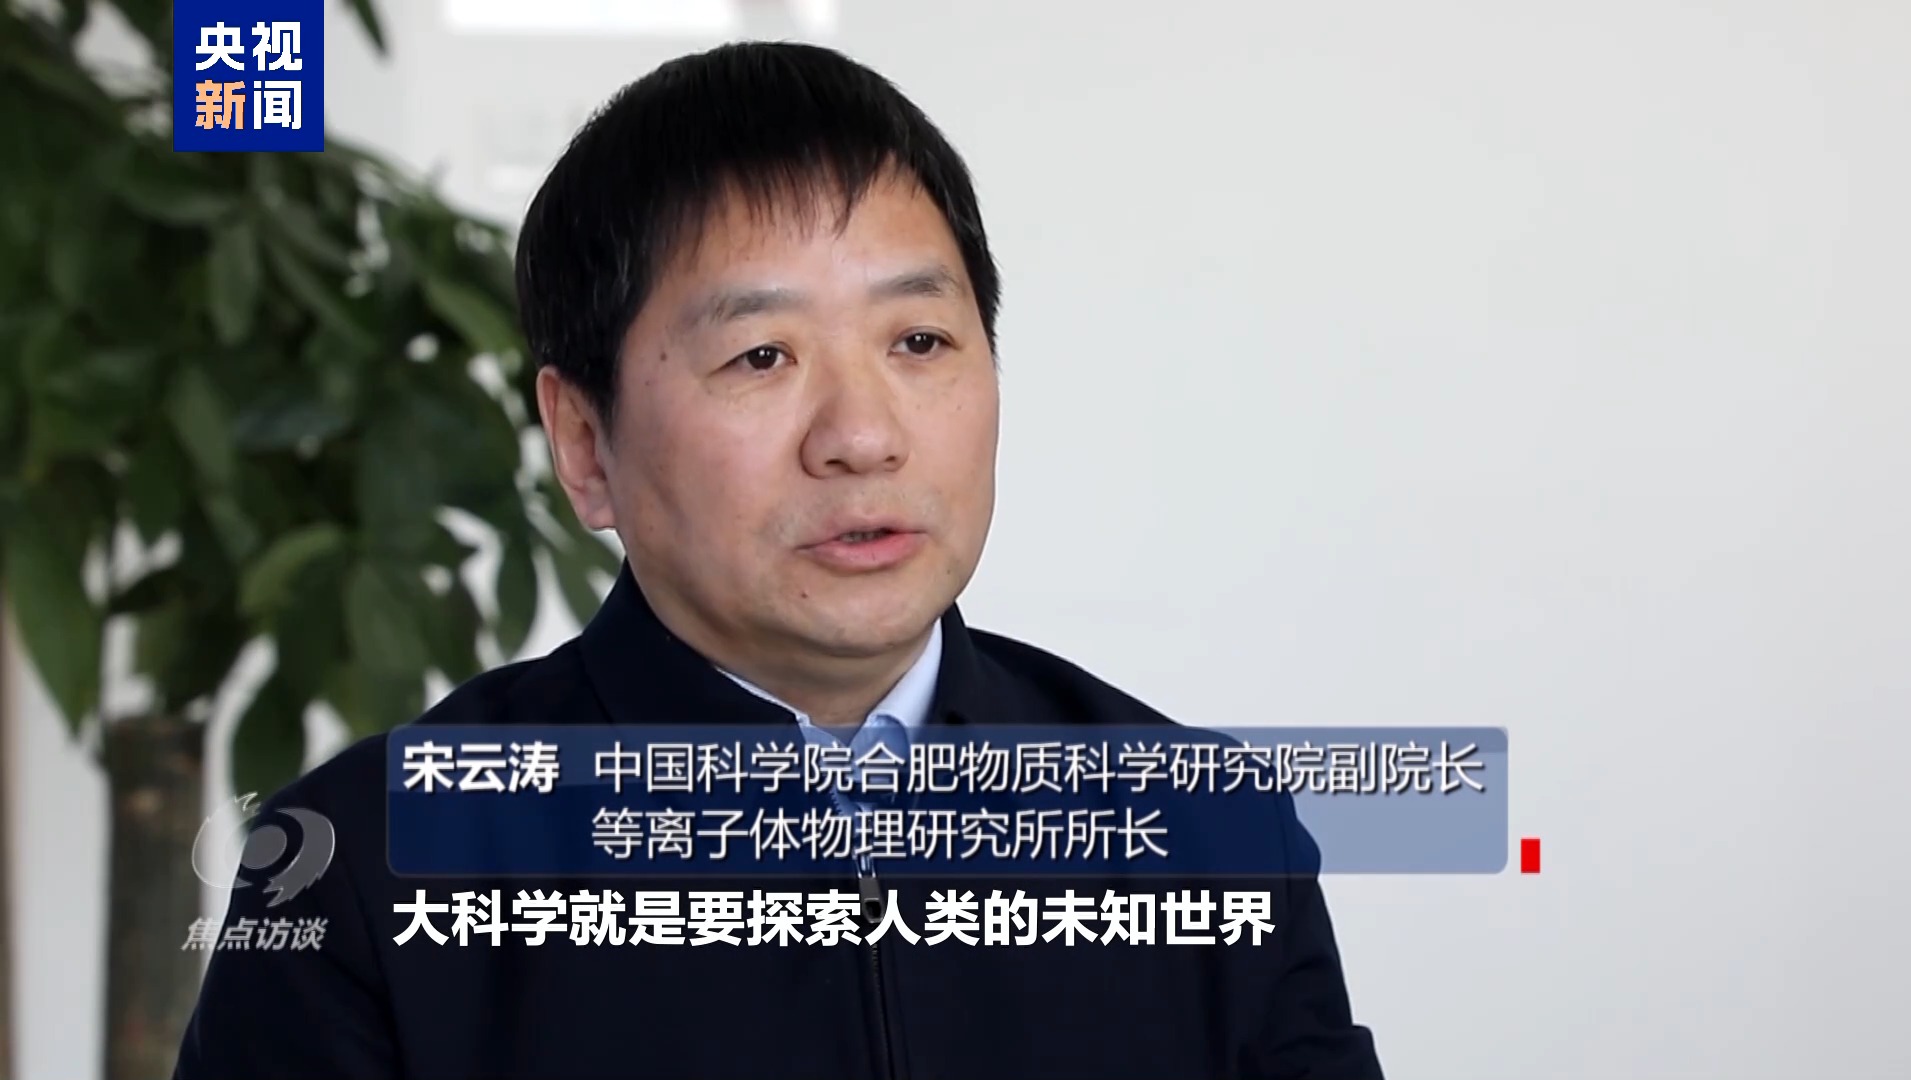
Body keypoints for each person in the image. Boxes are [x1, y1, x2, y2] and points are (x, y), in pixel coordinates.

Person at [173, 41, 1383, 1080]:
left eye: (920, 340)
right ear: (584, 443)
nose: (862, 435)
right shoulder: (366, 875)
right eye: (761, 357)